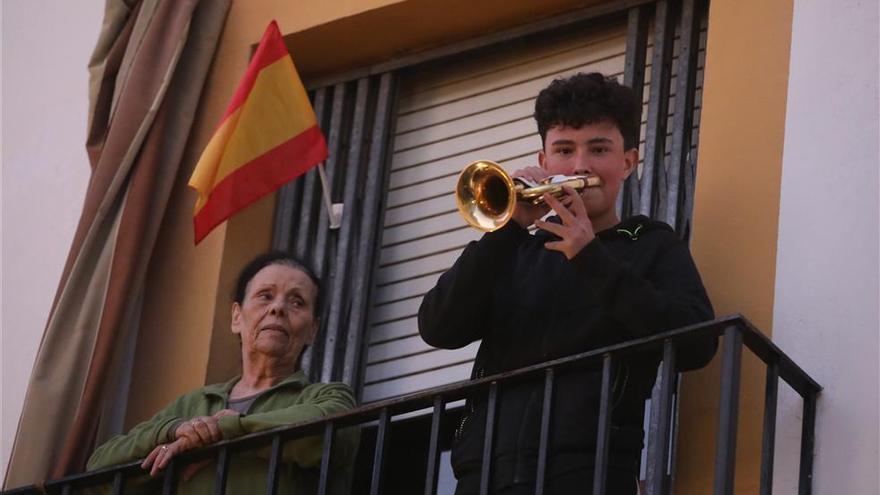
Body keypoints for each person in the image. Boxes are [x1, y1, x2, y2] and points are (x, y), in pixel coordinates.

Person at [418, 72, 716, 494]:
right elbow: (438, 326)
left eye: (598, 149)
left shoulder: (650, 243)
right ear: (544, 163)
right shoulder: (514, 250)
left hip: (591, 473)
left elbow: (698, 343)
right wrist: (506, 231)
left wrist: (590, 257)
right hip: (484, 475)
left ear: (628, 162)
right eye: (563, 150)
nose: (579, 166)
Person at [87, 251, 359, 494]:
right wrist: (173, 431)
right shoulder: (193, 404)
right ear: (236, 317)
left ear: (312, 330)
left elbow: (332, 433)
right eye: (265, 296)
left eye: (297, 302)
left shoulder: (327, 397)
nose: (277, 308)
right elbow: (100, 467)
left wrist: (224, 429)